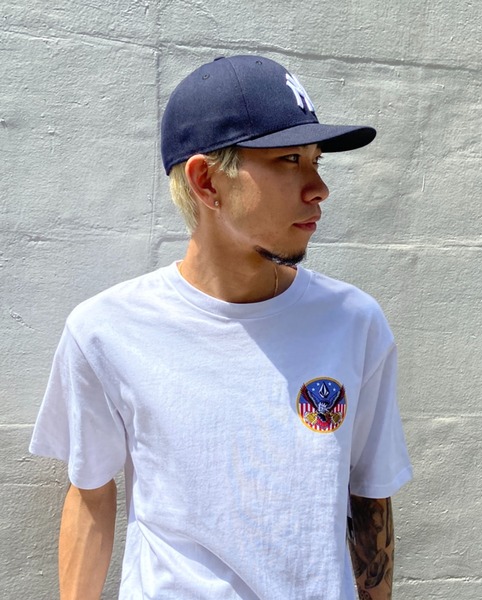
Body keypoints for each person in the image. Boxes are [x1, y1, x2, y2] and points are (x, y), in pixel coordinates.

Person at [30, 55, 412, 600]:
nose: (319, 187)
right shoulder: (105, 331)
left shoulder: (353, 321)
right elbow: (90, 494)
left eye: (316, 160)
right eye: (289, 160)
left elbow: (369, 495)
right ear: (207, 181)